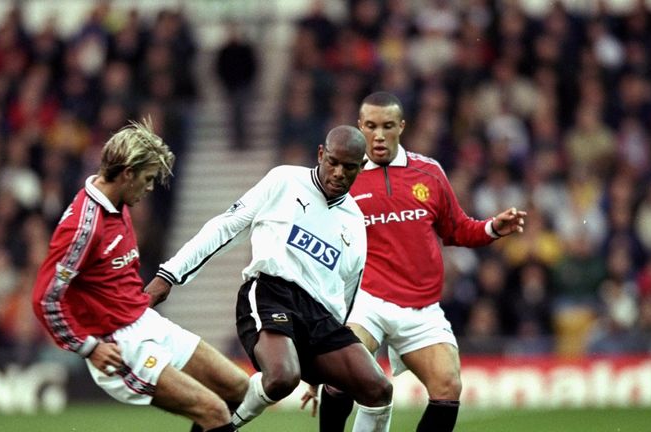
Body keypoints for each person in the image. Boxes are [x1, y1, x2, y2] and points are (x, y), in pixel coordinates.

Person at [145, 125, 394, 431]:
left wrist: (328, 370)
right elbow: (226, 226)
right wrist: (169, 274)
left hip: (319, 317)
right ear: (320, 154)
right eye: (333, 162)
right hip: (270, 293)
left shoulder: (355, 223)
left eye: (349, 167)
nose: (339, 172)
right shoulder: (285, 181)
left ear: (362, 167)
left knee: (379, 390)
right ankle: (213, 424)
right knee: (281, 378)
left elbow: (346, 295)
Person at [308, 92, 527, 432]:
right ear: (359, 126)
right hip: (366, 300)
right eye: (370, 126)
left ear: (402, 127)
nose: (378, 135)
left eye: (387, 126)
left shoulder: (429, 172)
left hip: (421, 306)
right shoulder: (341, 178)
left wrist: (491, 228)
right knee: (343, 371)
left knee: (448, 385)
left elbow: (456, 229)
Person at [31, 118, 249, 432]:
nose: (149, 188)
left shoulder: (117, 201)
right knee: (213, 411)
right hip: (119, 344)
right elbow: (45, 298)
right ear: (127, 173)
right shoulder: (83, 227)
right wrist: (88, 347)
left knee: (237, 388)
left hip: (144, 320)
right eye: (147, 179)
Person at [214, 21, 258, 150]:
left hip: (244, 86)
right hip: (230, 87)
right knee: (234, 114)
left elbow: (252, 67)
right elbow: (219, 69)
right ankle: (236, 140)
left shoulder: (246, 50)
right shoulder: (224, 51)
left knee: (242, 112)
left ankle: (243, 139)